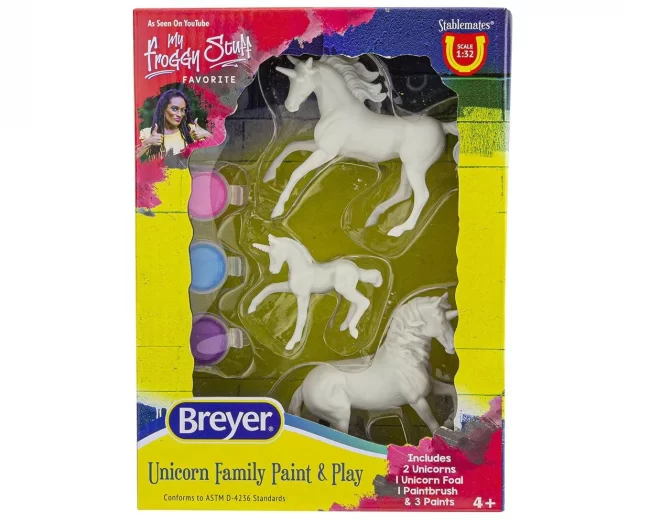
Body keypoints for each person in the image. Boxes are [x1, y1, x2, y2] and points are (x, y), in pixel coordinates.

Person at [137, 88, 211, 159]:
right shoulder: (146, 134)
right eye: (175, 109)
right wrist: (147, 143)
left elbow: (215, 155)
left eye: (183, 110)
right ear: (163, 109)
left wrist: (207, 134)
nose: (180, 114)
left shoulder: (192, 131)